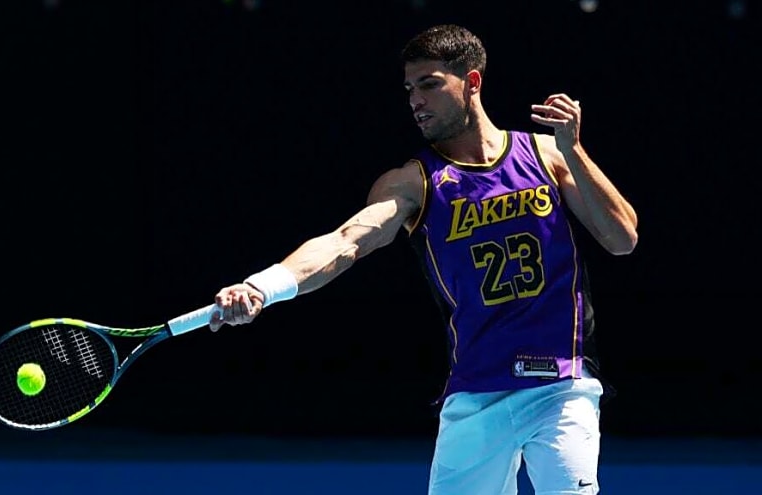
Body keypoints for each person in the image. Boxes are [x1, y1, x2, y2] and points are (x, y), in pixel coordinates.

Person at [207, 24, 638, 495]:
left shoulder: (547, 154)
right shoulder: (415, 181)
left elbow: (622, 238)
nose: (415, 99)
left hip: (561, 383)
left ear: (472, 83)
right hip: (475, 394)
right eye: (410, 88)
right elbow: (346, 241)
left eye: (430, 84)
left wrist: (573, 149)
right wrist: (262, 286)